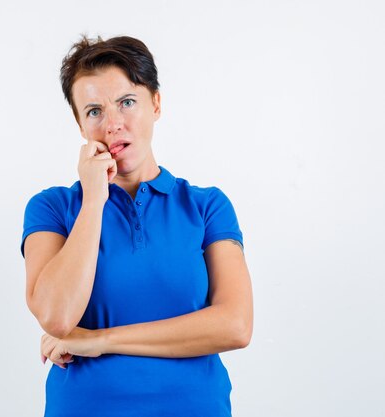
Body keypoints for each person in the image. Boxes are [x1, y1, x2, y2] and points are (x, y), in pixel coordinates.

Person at [20, 34, 253, 417]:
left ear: (156, 104)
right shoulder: (53, 208)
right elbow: (58, 317)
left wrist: (100, 340)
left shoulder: (207, 206)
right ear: (80, 125)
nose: (113, 124)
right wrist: (94, 199)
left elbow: (235, 325)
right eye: (94, 111)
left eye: (127, 103)